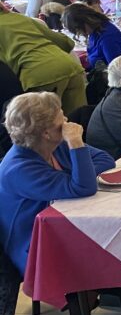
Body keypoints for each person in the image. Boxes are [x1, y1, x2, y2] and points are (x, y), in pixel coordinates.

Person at [0, 92, 114, 282]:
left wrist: (76, 177)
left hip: (64, 225)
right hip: (36, 246)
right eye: (61, 115)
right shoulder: (18, 168)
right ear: (46, 131)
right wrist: (77, 144)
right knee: (111, 243)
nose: (67, 120)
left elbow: (106, 160)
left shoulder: (53, 144)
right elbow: (84, 187)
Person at [0, 10, 85, 114]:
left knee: (44, 125)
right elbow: (65, 42)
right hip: (70, 66)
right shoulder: (20, 18)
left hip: (39, 75)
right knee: (78, 121)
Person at [62, 3, 121, 69]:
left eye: (78, 30)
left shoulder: (107, 39)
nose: (79, 34)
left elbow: (116, 69)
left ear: (85, 22)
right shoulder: (96, 30)